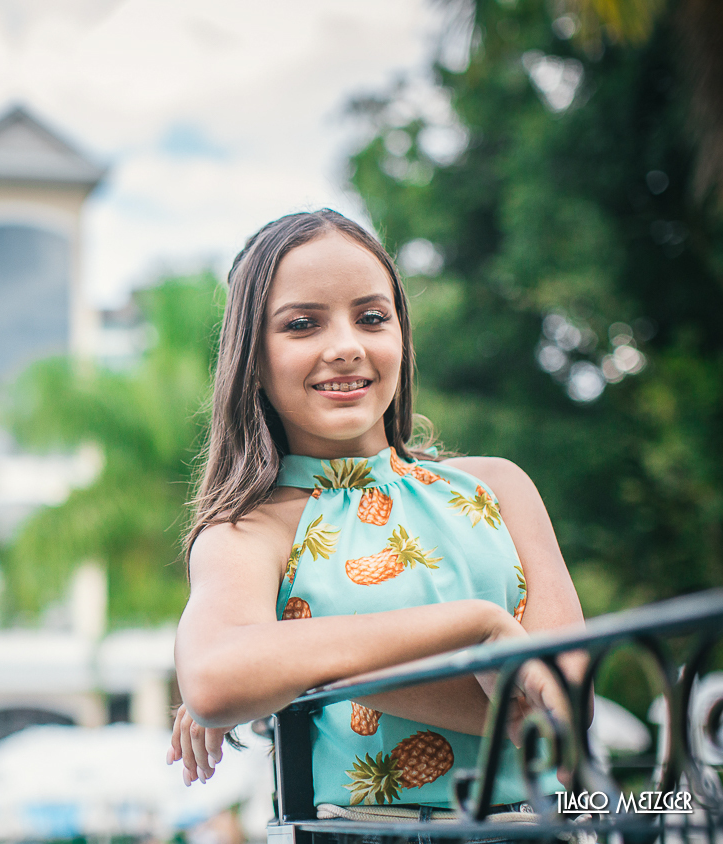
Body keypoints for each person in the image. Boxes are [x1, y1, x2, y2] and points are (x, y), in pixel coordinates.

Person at [166, 209, 585, 810]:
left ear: (401, 339)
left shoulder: (497, 488)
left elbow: (561, 709)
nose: (345, 347)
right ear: (252, 360)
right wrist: (479, 627)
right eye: (303, 325)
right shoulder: (248, 533)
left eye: (371, 318)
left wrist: (294, 663)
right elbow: (214, 679)